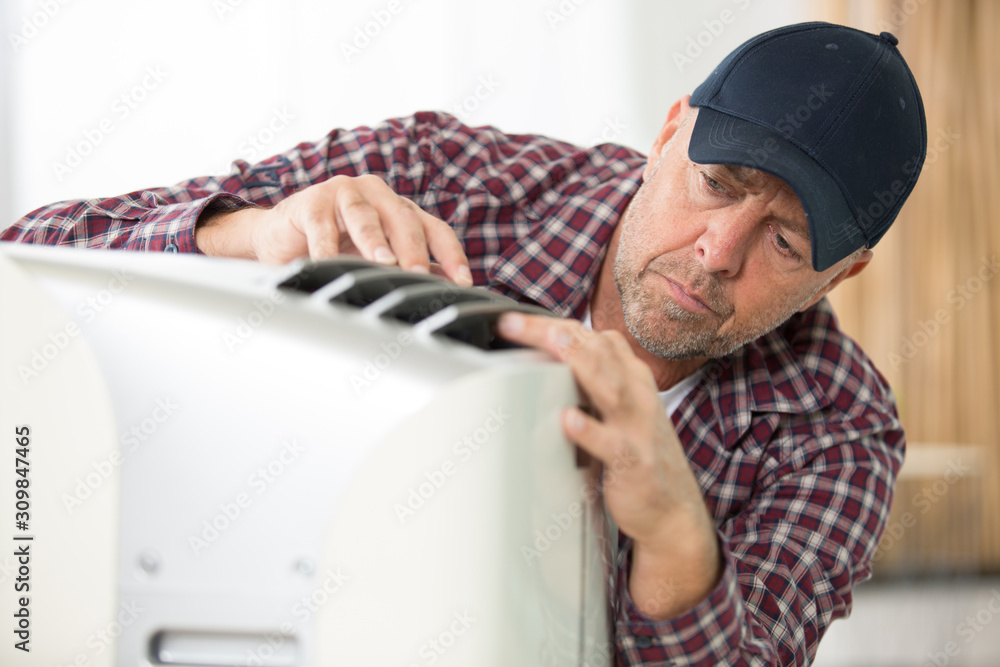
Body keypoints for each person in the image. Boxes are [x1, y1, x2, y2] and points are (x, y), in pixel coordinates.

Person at [1, 22, 925, 666]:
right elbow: (30, 256)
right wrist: (247, 235)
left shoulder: (837, 427)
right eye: (717, 183)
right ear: (668, 130)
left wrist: (677, 535)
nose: (717, 254)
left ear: (840, 275)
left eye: (785, 242)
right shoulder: (446, 177)